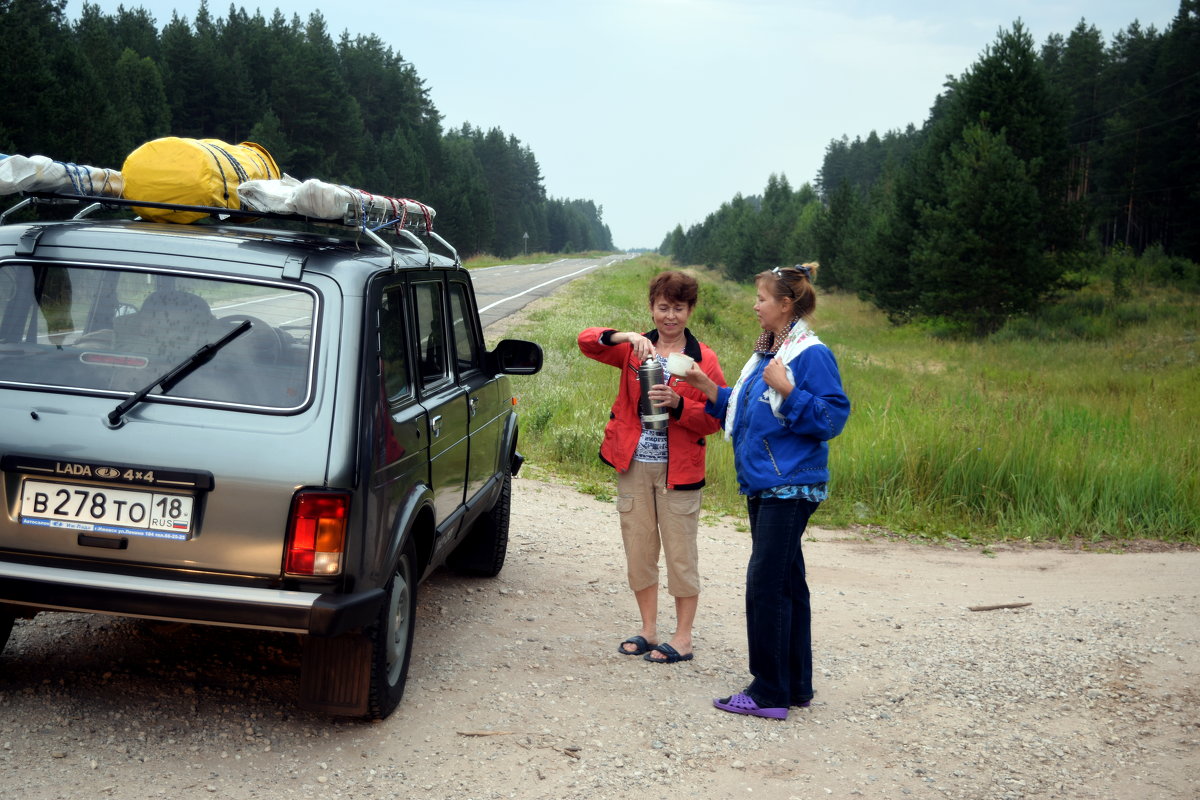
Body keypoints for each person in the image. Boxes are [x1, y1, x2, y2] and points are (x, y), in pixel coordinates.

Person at [683, 263, 849, 719]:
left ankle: (767, 692)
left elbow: (832, 418)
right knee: (788, 584)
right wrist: (707, 387)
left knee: (765, 586)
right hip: (766, 483)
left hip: (789, 485)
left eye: (761, 298)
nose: (754, 306)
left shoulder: (809, 354)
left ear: (785, 304)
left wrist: (791, 392)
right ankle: (795, 686)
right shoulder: (769, 351)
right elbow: (750, 404)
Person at [578, 270, 726, 664]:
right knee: (639, 549)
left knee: (681, 554)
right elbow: (586, 342)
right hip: (634, 464)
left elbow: (716, 417)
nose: (670, 316)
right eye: (663, 307)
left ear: (690, 310)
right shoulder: (634, 350)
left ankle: (683, 637)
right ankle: (647, 629)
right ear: (652, 308)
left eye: (679, 308)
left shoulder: (702, 359)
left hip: (679, 471)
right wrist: (626, 336)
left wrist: (679, 406)